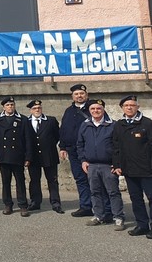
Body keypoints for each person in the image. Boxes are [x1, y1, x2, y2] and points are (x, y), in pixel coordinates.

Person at [76, 99, 125, 230]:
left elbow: (118, 146)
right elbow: (80, 144)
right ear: (89, 110)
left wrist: (117, 163)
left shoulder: (112, 125)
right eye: (93, 109)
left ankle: (118, 217)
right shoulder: (85, 125)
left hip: (108, 165)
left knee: (113, 192)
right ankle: (98, 215)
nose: (95, 111)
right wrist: (83, 160)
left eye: (98, 108)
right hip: (91, 165)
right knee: (95, 192)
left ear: (103, 109)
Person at [112, 95, 152, 238]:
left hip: (147, 169)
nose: (129, 107)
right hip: (129, 170)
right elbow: (115, 146)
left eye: (132, 105)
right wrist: (117, 165)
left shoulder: (147, 124)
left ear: (137, 107)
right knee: (136, 199)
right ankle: (142, 225)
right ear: (122, 108)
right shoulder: (119, 124)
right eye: (126, 105)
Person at [0, 97, 33, 217]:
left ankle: (23, 205)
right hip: (3, 155)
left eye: (12, 105)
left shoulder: (22, 119)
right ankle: (8, 204)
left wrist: (28, 157)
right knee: (6, 182)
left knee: (20, 181)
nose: (10, 107)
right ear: (3, 107)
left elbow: (28, 140)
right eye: (8, 105)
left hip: (18, 155)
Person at [60, 84, 94, 217]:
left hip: (89, 150)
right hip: (73, 150)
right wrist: (62, 147)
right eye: (76, 94)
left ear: (86, 95)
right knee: (80, 178)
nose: (79, 96)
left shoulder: (94, 108)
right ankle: (85, 206)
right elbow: (63, 129)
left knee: (94, 179)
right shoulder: (69, 110)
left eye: (81, 93)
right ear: (72, 96)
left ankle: (100, 206)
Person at [26, 99, 64, 214]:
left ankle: (55, 203)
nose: (37, 110)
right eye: (34, 108)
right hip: (33, 156)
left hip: (49, 155)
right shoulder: (25, 121)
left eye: (39, 108)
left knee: (52, 180)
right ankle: (35, 202)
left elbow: (57, 136)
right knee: (34, 180)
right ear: (31, 110)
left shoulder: (51, 120)